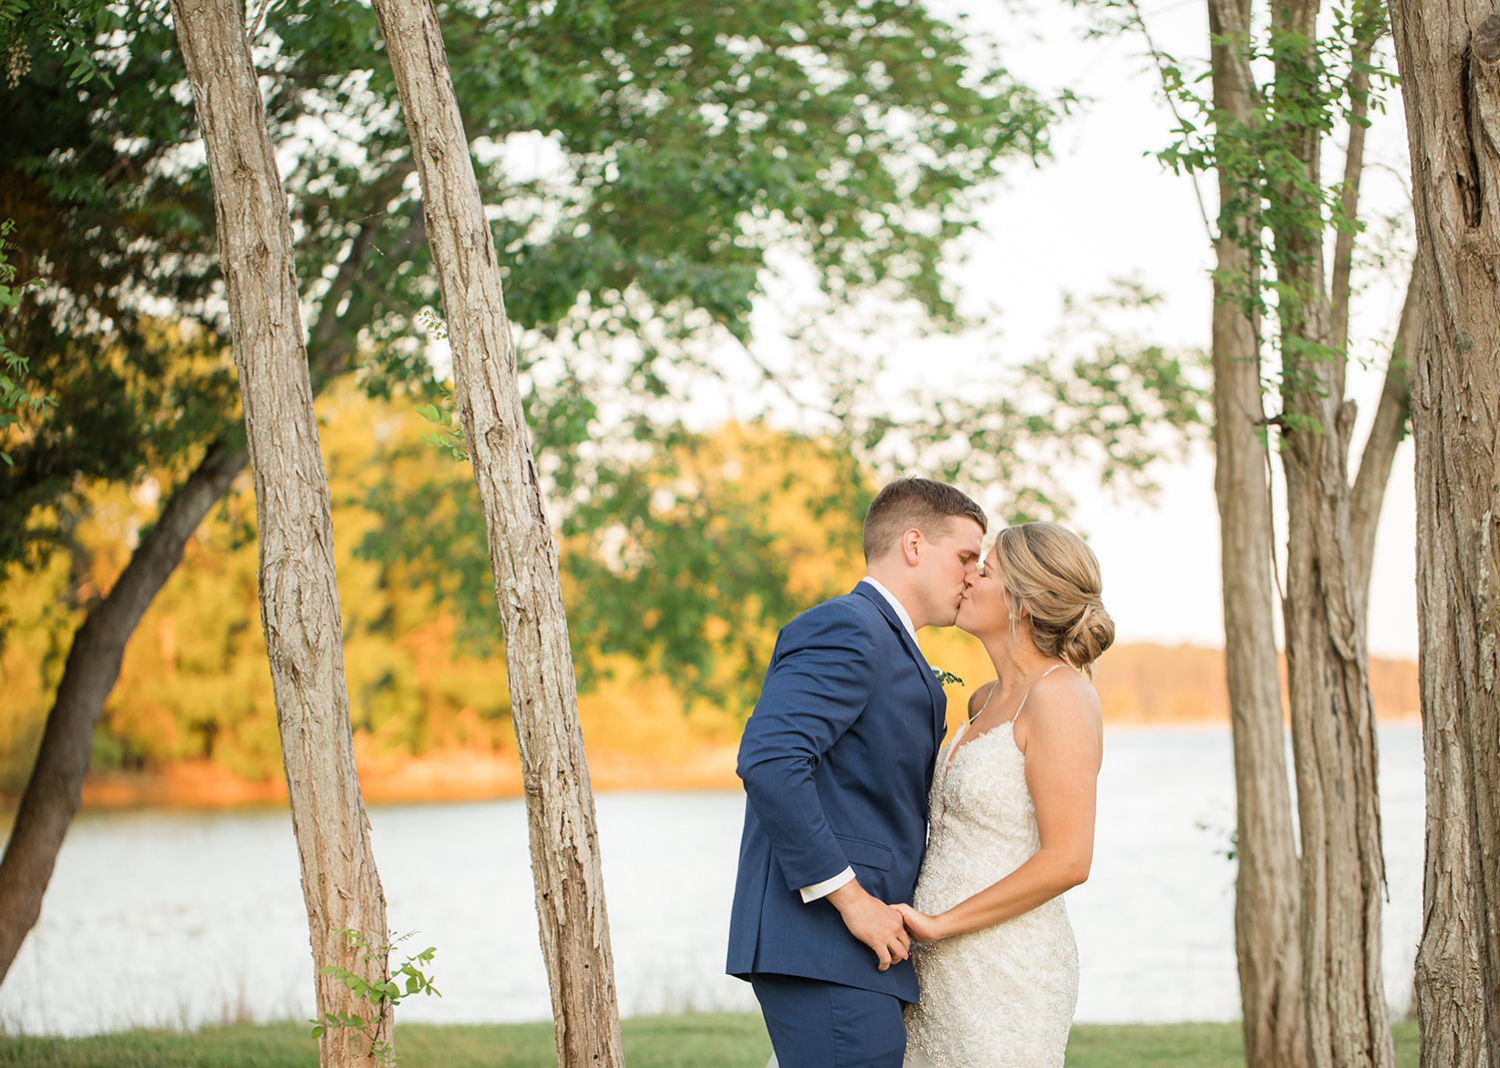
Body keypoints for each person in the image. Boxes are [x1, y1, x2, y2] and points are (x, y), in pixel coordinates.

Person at [726, 477, 987, 1068]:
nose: (973, 575)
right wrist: (852, 901)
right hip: (823, 937)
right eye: (966, 557)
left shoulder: (890, 642)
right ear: (914, 545)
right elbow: (770, 759)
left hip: (855, 952)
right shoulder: (847, 627)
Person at [897, 520, 1113, 1068]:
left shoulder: (1061, 697)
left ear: (1022, 602)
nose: (967, 578)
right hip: (932, 965)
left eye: (984, 570)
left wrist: (941, 923)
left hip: (1004, 966)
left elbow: (1068, 859)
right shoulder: (983, 700)